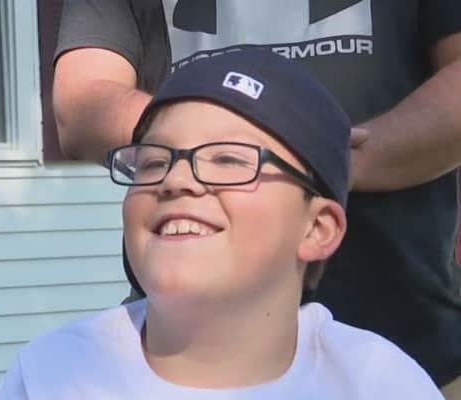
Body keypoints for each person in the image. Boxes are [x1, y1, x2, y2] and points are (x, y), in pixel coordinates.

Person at [52, 1, 461, 395]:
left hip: (417, 335)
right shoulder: (57, 377)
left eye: (228, 160)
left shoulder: (394, 382)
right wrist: (220, 150)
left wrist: (327, 160)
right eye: (158, 161)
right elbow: (81, 101)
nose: (178, 180)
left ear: (321, 227)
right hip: (166, 350)